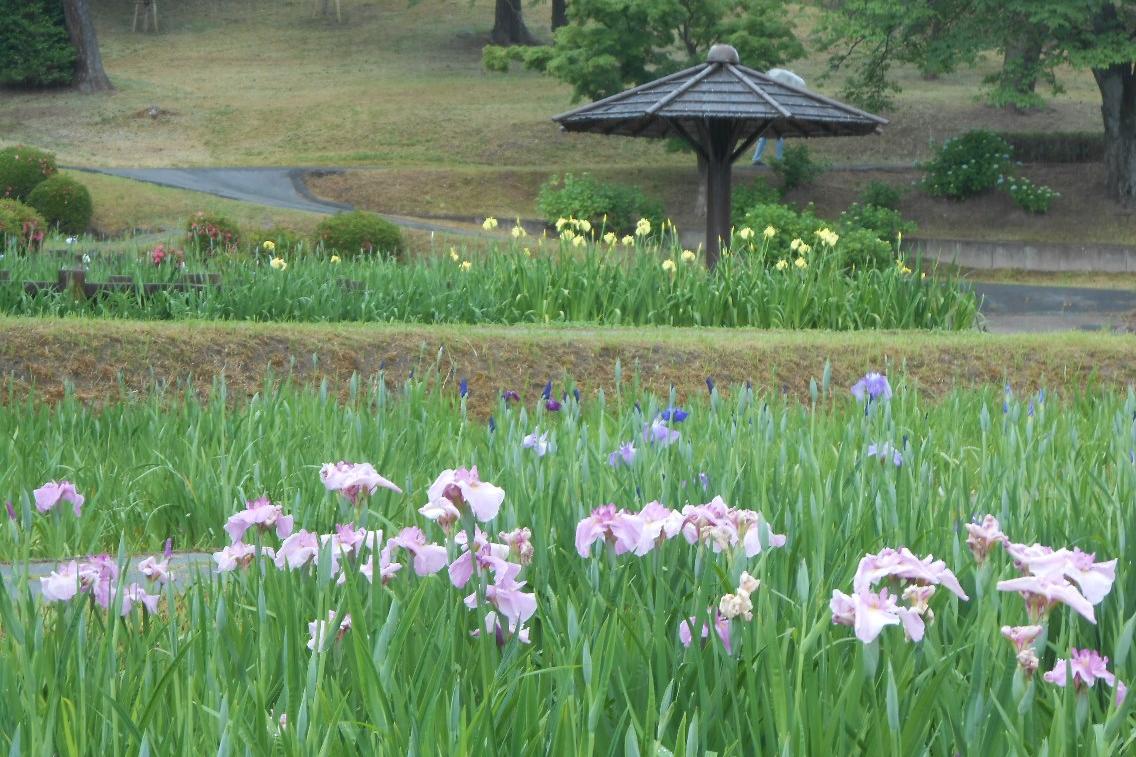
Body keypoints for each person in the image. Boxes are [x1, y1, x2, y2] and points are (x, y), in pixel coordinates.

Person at [753, 68, 806, 165]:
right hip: (775, 115)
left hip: (771, 114)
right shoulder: (782, 93)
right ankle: (778, 159)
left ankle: (759, 158)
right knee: (777, 136)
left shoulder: (773, 90)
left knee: (766, 136)